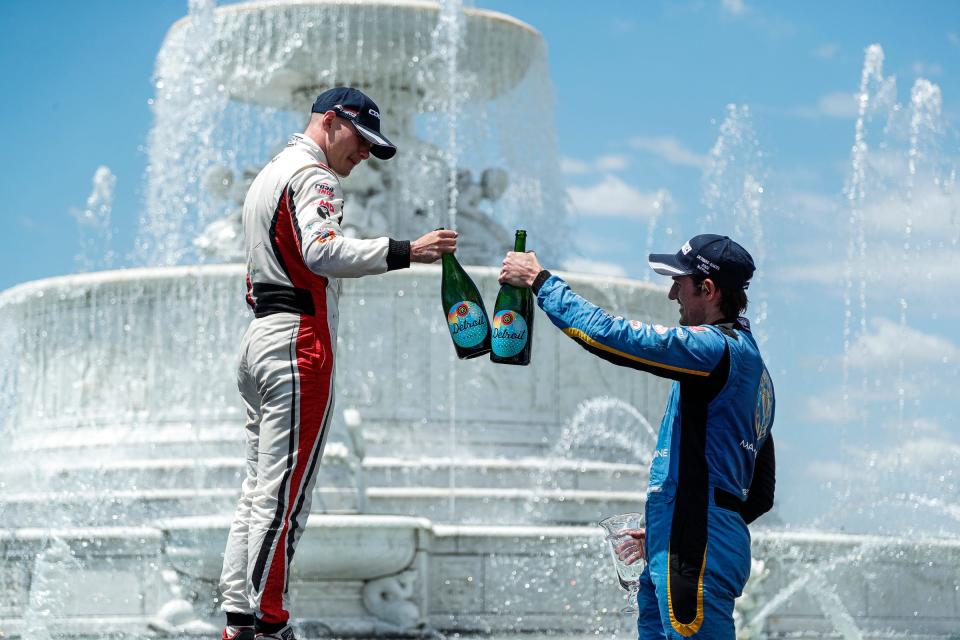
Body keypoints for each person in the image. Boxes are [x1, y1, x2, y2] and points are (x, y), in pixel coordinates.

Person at [218, 86, 458, 640]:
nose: (365, 155)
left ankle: (238, 618)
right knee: (285, 497)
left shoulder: (269, 173)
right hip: (298, 339)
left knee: (258, 490)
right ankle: (267, 624)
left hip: (260, 334)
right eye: (361, 140)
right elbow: (321, 252)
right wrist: (406, 251)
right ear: (331, 122)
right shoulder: (314, 177)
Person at [499, 234, 775, 639]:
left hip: (693, 549)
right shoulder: (757, 373)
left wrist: (541, 281)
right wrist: (674, 524)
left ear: (709, 289)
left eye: (679, 283)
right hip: (696, 540)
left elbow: (614, 336)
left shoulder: (712, 348)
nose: (671, 294)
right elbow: (760, 494)